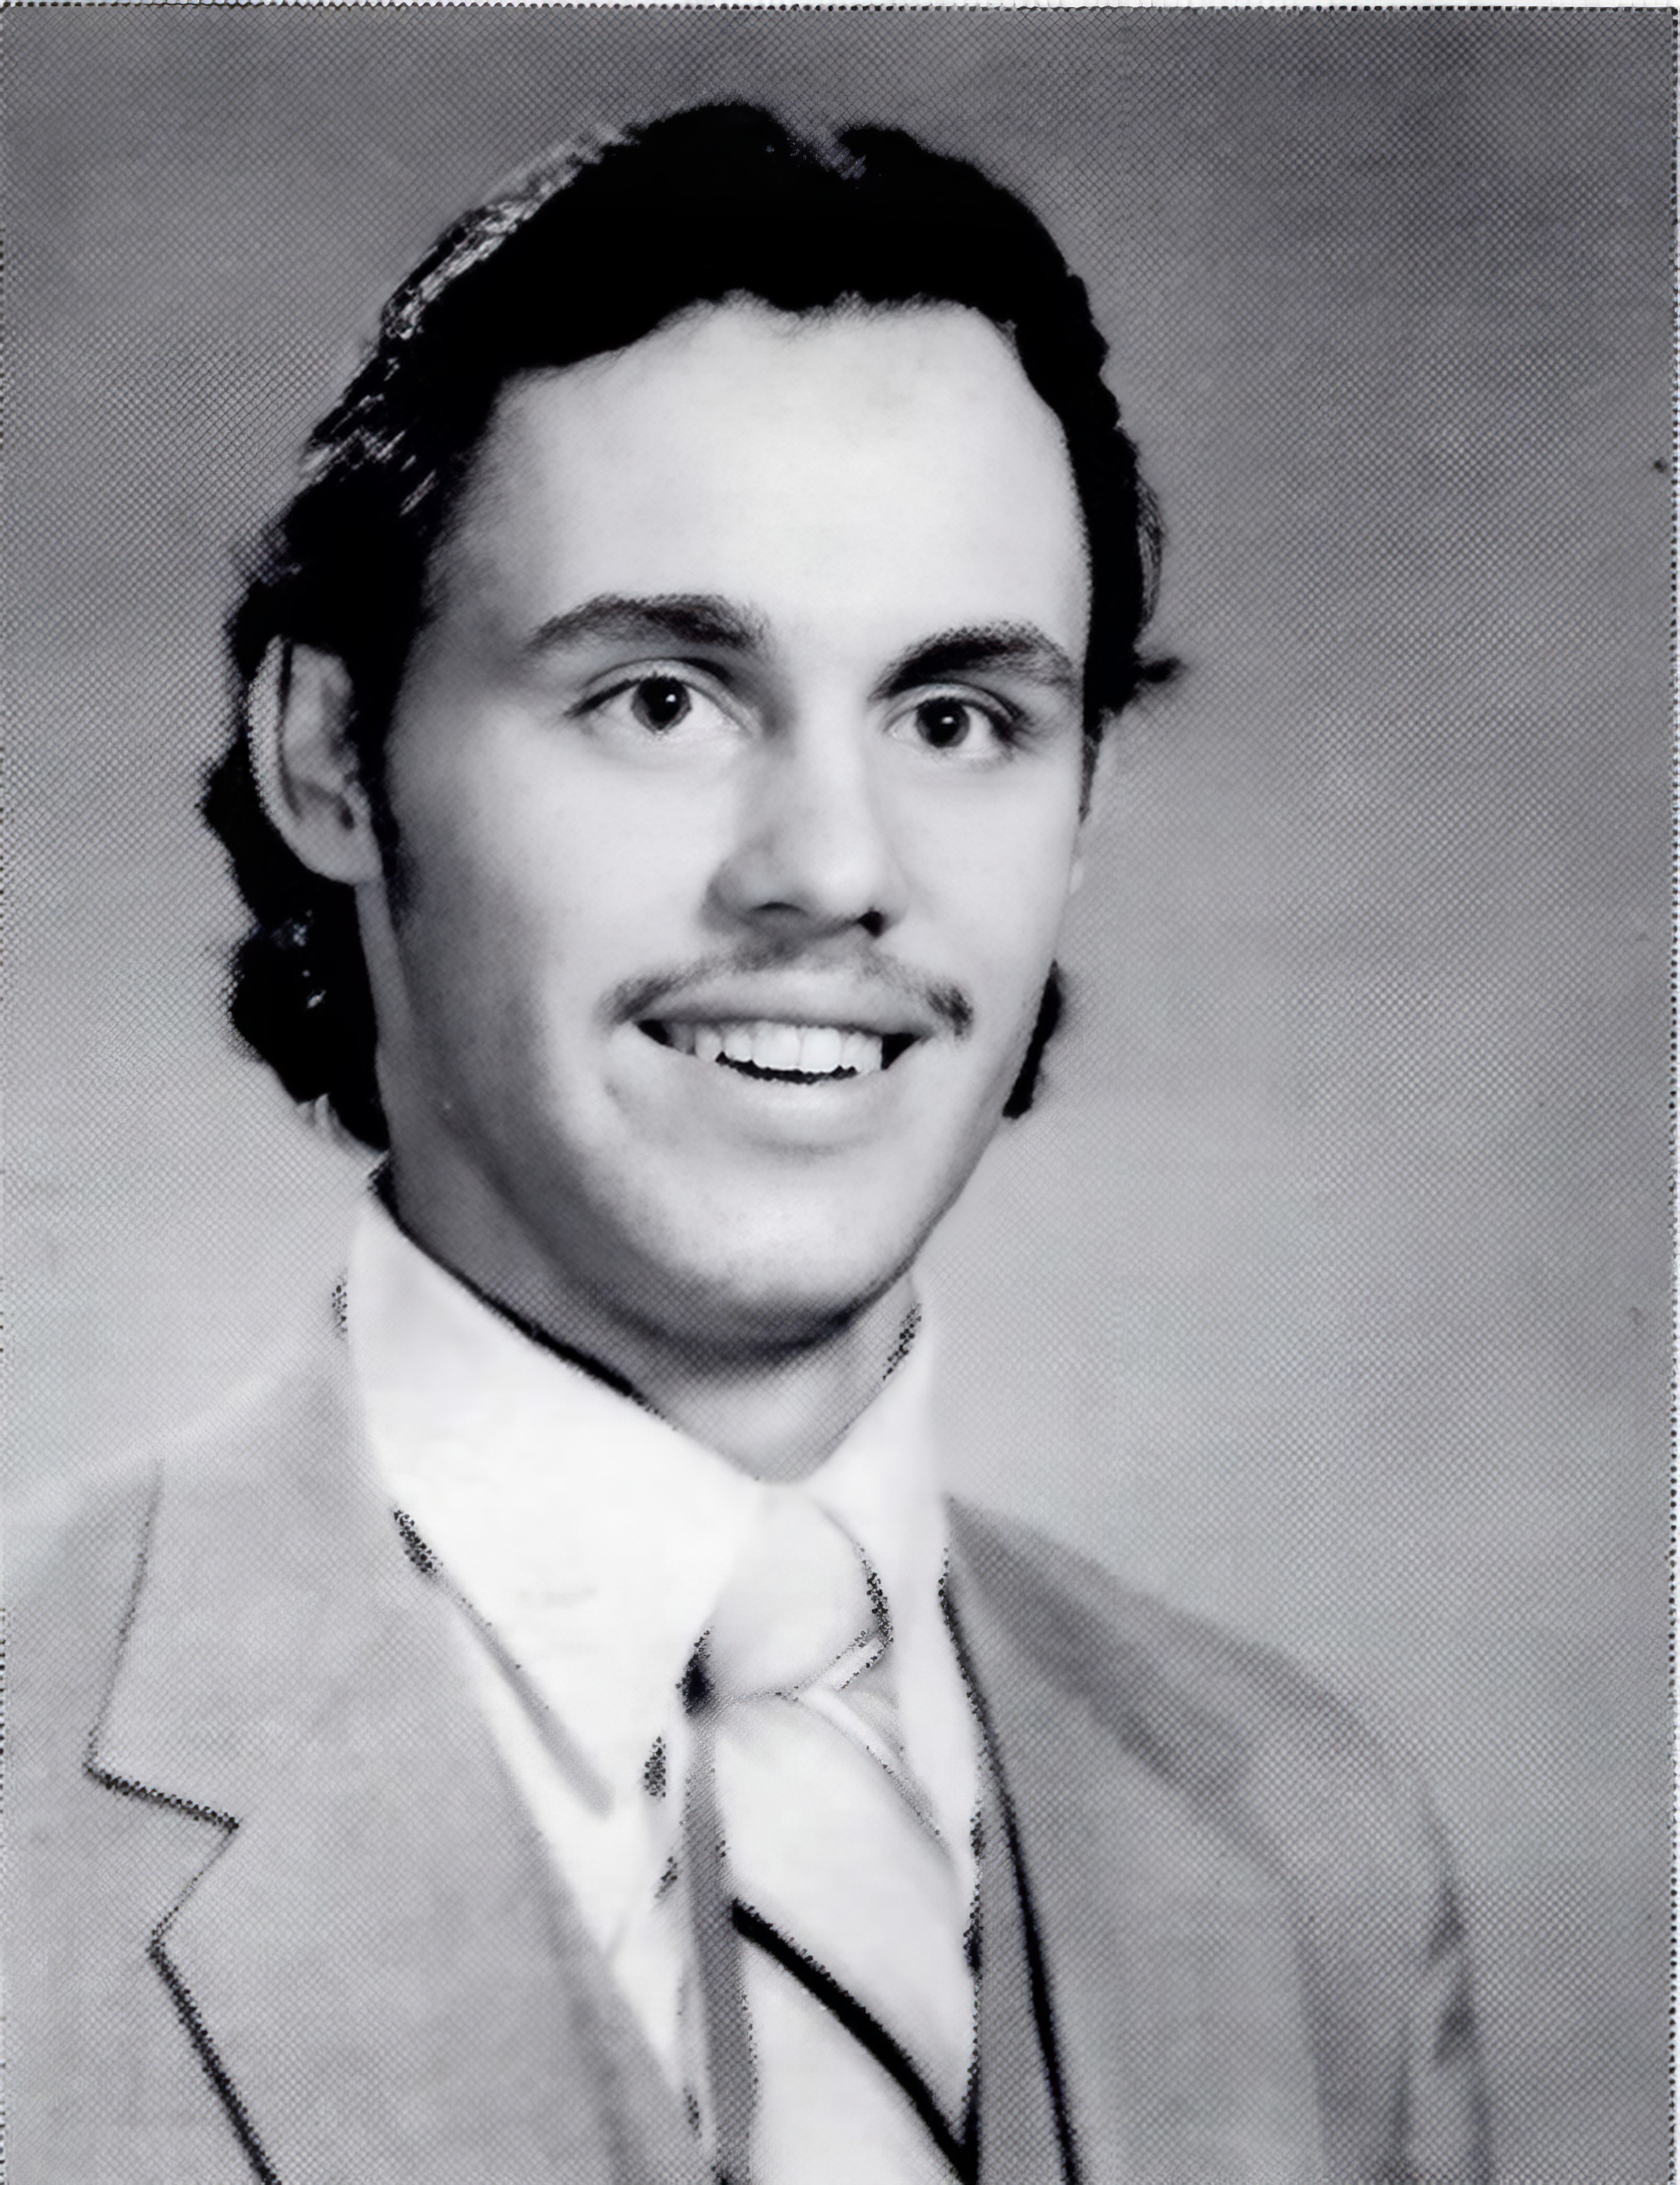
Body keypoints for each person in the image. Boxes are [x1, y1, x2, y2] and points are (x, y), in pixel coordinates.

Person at [7, 105, 1491, 2184]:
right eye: (663, 698)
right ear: (329, 750)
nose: (829, 869)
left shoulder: (1314, 1847)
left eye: (956, 719)